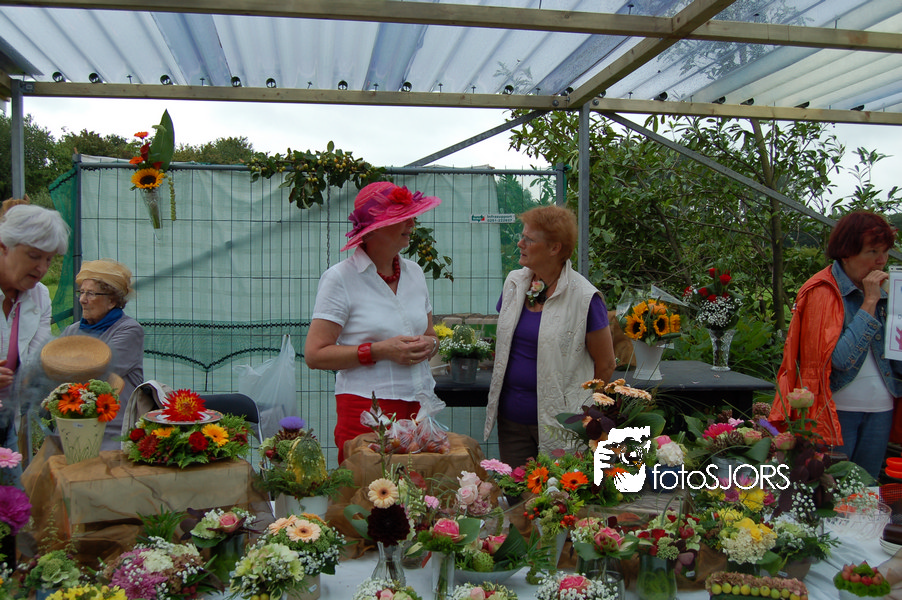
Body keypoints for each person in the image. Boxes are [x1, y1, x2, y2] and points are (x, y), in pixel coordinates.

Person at [304, 182, 442, 463]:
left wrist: (430, 344)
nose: (411, 224)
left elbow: (430, 335)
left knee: (419, 487)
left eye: (411, 216)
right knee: (370, 487)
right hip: (365, 409)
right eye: (402, 218)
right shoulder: (340, 279)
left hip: (420, 407)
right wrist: (379, 350)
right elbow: (315, 354)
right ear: (374, 229)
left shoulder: (415, 273)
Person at [769, 210, 902, 479]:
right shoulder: (823, 291)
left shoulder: (888, 291)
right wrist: (869, 303)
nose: (881, 260)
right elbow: (839, 360)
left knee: (867, 490)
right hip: (837, 411)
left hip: (881, 408)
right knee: (832, 489)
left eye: (885, 251)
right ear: (846, 253)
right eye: (872, 252)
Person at [484, 205, 617, 470]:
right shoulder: (514, 283)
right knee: (516, 491)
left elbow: (606, 364)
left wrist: (583, 410)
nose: (520, 243)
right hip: (511, 421)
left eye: (529, 239)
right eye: (522, 236)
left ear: (555, 248)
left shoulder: (584, 298)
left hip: (561, 426)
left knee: (559, 492)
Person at [0, 202, 70, 457]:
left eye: (49, 259)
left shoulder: (39, 296)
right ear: (3, 247)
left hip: (6, 419)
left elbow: (36, 359)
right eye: (33, 256)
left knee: (12, 483)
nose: (42, 268)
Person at [60, 259, 144, 450]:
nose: (82, 300)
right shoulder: (72, 331)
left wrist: (64, 366)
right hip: (72, 426)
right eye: (81, 292)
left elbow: (98, 371)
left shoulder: (129, 330)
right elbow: (52, 372)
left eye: (90, 293)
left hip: (112, 431)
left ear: (112, 301)